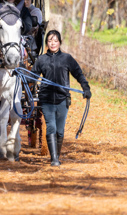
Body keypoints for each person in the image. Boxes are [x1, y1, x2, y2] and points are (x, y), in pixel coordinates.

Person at [33, 30, 91, 167]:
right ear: (46, 43)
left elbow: (79, 74)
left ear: (60, 42)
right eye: (50, 41)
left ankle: (56, 156)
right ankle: (54, 159)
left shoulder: (67, 58)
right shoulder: (41, 59)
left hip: (62, 99)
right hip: (46, 99)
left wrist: (86, 88)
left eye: (55, 41)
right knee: (51, 127)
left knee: (60, 130)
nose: (52, 43)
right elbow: (32, 76)